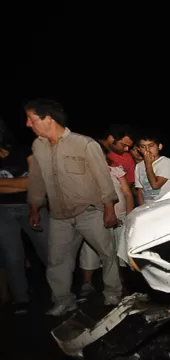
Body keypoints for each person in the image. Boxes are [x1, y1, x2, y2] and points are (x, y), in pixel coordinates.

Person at [24, 99, 122, 316]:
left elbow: (103, 178)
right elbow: (37, 180)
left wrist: (109, 210)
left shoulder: (84, 144)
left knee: (107, 253)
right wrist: (34, 208)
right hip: (59, 215)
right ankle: (63, 300)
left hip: (90, 212)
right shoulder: (38, 146)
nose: (28, 125)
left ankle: (113, 292)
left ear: (48, 118)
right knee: (57, 260)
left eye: (31, 120)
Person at [0, 122, 49, 315]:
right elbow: (26, 182)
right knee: (12, 256)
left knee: (48, 250)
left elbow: (35, 182)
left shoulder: (23, 150)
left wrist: (22, 184)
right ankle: (21, 297)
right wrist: (22, 184)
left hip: (32, 205)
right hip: (3, 210)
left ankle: (61, 292)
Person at [78, 151, 135, 296]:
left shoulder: (116, 170)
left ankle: (121, 282)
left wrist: (129, 215)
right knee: (90, 250)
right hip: (96, 218)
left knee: (120, 250)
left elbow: (127, 193)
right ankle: (87, 283)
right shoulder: (84, 173)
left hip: (120, 217)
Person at [133, 132, 170, 206]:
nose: (147, 149)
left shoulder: (166, 162)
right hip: (149, 207)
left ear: (159, 146)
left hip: (167, 205)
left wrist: (148, 164)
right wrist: (142, 208)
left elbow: (155, 185)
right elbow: (140, 191)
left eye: (151, 145)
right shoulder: (139, 166)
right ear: (139, 149)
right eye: (143, 146)